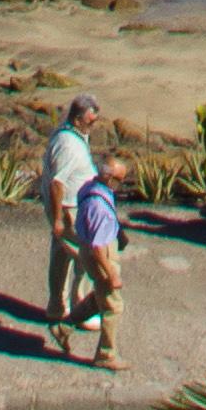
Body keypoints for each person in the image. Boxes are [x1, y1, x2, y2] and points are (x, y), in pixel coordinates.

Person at [41, 101, 101, 334]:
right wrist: (57, 219)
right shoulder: (70, 146)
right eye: (91, 121)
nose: (94, 125)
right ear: (78, 119)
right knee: (87, 257)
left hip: (68, 208)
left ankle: (57, 307)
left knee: (61, 256)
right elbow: (58, 183)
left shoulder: (67, 133)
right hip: (69, 210)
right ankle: (81, 309)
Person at [65, 159, 126, 371]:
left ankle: (64, 326)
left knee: (100, 295)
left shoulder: (88, 188)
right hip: (102, 255)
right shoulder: (98, 205)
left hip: (90, 249)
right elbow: (98, 247)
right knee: (113, 306)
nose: (121, 184)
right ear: (109, 178)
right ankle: (106, 355)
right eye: (119, 179)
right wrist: (112, 274)